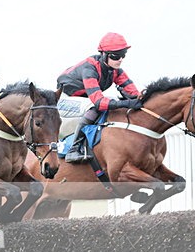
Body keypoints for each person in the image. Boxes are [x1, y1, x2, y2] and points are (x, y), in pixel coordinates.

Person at [57, 32, 143, 163]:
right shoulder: (89, 68)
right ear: (103, 54)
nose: (120, 59)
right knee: (94, 107)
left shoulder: (116, 71)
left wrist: (139, 98)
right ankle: (73, 150)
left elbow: (135, 94)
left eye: (123, 55)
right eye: (116, 56)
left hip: (84, 98)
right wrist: (127, 103)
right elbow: (99, 102)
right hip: (63, 100)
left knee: (112, 102)